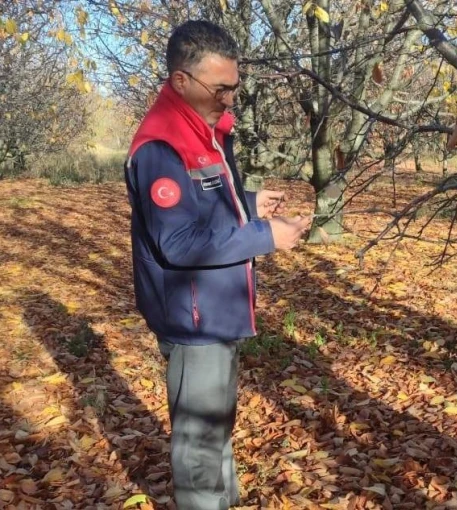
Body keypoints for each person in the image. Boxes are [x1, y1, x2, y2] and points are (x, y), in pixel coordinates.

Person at [124, 20, 311, 509]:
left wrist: (249, 203)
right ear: (181, 81)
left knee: (217, 429)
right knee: (201, 445)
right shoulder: (163, 146)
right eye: (221, 88)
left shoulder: (203, 131)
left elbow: (203, 206)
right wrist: (264, 236)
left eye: (234, 86)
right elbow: (180, 242)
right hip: (194, 318)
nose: (229, 98)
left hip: (217, 309)